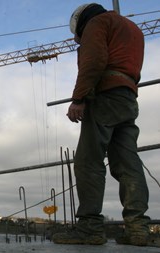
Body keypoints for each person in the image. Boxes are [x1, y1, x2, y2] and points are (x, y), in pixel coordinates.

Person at [53, 3, 151, 246]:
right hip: (128, 98)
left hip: (105, 95)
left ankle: (89, 228)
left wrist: (79, 98)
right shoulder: (132, 28)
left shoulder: (98, 23)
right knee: (128, 164)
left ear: (82, 22)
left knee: (88, 161)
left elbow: (94, 60)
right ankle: (138, 229)